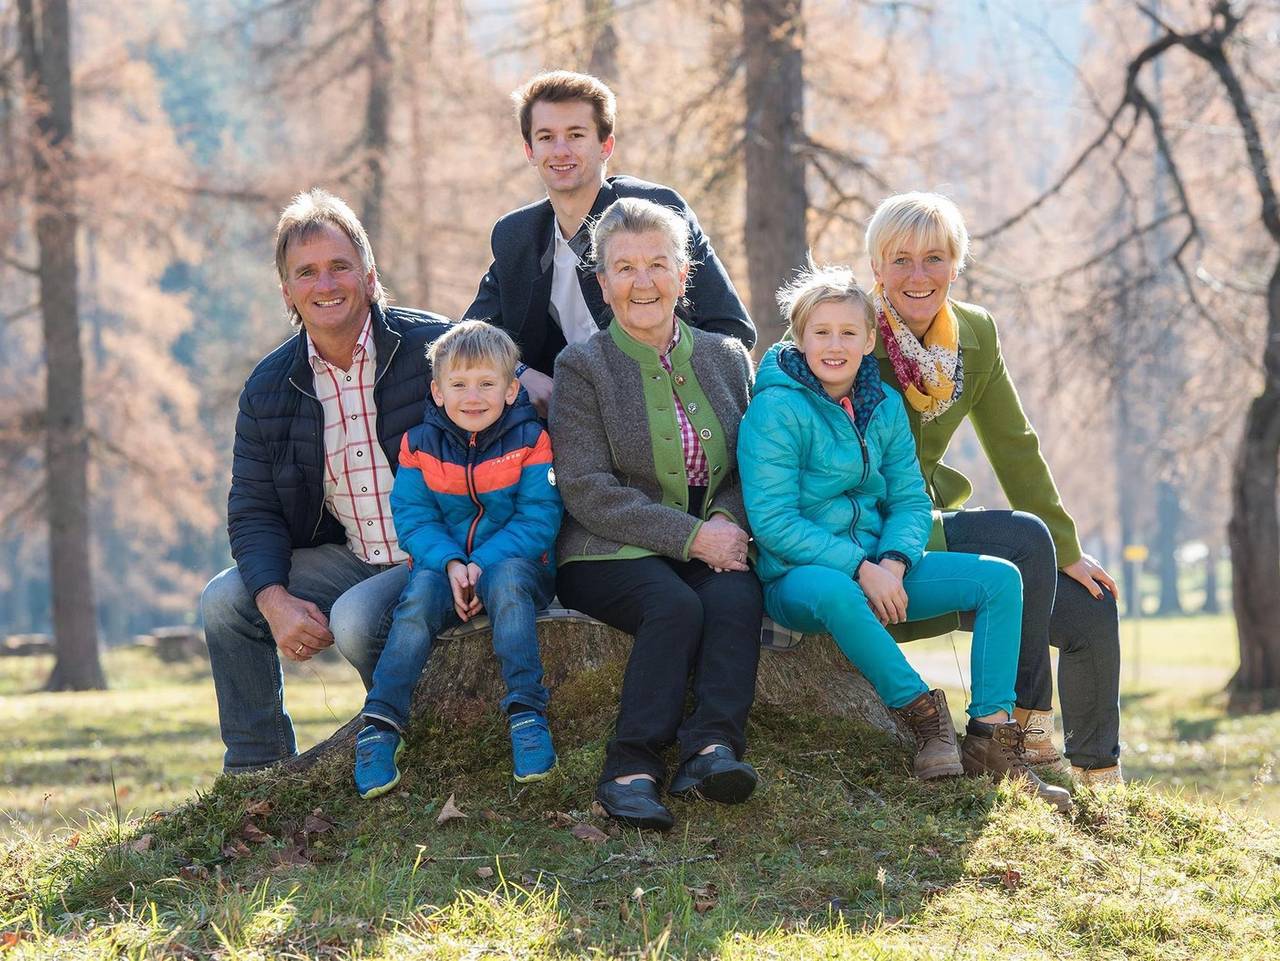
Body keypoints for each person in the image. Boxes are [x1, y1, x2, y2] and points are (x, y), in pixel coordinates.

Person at [738, 265, 1071, 812]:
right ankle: (923, 716)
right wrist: (859, 567)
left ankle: (990, 736)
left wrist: (892, 560)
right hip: (796, 578)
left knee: (1000, 580)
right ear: (800, 338)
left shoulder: (884, 406)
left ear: (870, 341)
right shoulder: (776, 408)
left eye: (849, 333)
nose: (835, 345)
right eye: (821, 332)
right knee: (835, 590)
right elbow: (774, 522)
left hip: (881, 567)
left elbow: (912, 501)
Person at [865, 191, 1122, 786]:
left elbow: (1014, 444)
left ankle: (1097, 778)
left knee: (1091, 606)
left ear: (957, 265)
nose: (918, 274)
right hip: (869, 536)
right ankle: (1026, 735)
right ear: (876, 268)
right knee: (1026, 540)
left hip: (927, 521)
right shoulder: (851, 332)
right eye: (900, 259)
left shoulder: (974, 334)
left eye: (935, 258)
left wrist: (1070, 550)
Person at [200, 188, 448, 773]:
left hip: (441, 555)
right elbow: (254, 507)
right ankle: (257, 774)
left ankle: (409, 757)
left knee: (358, 620)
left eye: (339, 266)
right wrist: (274, 598)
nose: (325, 284)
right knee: (225, 602)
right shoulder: (270, 387)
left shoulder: (435, 349)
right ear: (287, 291)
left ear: (367, 273)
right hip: (356, 558)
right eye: (305, 272)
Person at [549, 198, 762, 831]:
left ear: (683, 274)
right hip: (604, 546)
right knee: (674, 606)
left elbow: (748, 468)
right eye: (624, 268)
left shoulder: (728, 357)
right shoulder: (582, 367)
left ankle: (710, 748)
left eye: (657, 264)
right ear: (603, 282)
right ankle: (628, 769)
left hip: (712, 536)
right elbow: (587, 489)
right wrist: (692, 536)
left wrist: (723, 525)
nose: (643, 282)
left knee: (736, 597)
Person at [466, 69, 754, 417]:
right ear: (529, 150)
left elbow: (732, 331)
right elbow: (471, 338)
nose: (560, 150)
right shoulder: (517, 234)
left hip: (670, 417)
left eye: (575, 135)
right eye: (546, 137)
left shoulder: (656, 212)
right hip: (561, 428)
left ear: (606, 145)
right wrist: (521, 373)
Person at [353, 321, 563, 798]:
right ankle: (381, 722)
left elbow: (539, 518)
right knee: (416, 601)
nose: (474, 396)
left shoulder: (532, 440)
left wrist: (481, 564)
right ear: (438, 390)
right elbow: (412, 516)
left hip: (517, 565)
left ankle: (526, 714)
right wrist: (450, 564)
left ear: (511, 390)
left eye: (487, 383)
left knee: (508, 585)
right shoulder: (419, 446)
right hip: (441, 567)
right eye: (460, 384)